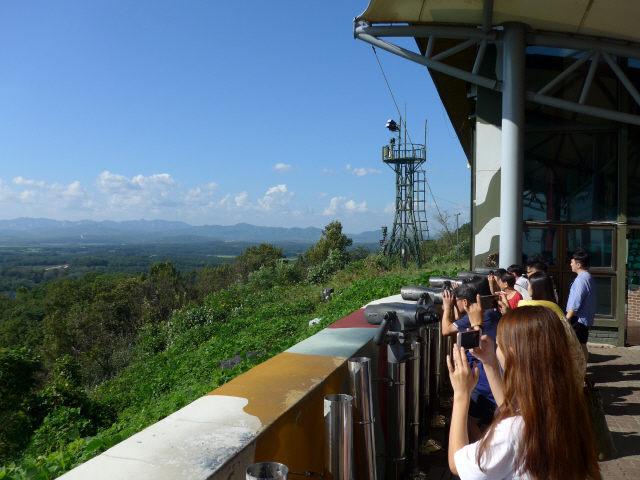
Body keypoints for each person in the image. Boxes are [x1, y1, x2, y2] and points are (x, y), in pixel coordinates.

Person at [447, 306, 601, 480]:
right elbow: (511, 411)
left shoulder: (513, 431)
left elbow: (456, 464)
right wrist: (489, 362)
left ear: (512, 352)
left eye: (499, 342)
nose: (497, 345)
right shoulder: (564, 405)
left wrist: (461, 395)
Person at [441, 283, 502, 441]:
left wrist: (447, 307)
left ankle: (482, 452)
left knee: (465, 419)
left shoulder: (473, 320)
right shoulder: (492, 313)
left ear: (465, 302)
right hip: (497, 374)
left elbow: (446, 330)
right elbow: (460, 323)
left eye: (457, 301)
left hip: (483, 379)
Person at [518, 271, 586, 388]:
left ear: (535, 287)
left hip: (540, 369)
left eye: (529, 284)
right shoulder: (555, 311)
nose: (527, 287)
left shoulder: (533, 312)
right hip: (559, 371)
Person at [566, 251, 597, 362]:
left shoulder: (581, 279)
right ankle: (582, 371)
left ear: (578, 264)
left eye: (572, 262)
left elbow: (576, 301)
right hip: (583, 318)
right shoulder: (587, 277)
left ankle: (579, 371)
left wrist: (567, 318)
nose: (570, 264)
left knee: (577, 345)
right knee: (582, 344)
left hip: (578, 318)